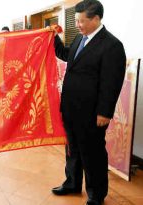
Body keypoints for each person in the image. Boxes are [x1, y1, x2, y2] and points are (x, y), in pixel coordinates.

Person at [50, 1, 126, 205]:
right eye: (76, 20)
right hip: (71, 109)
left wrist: (105, 112)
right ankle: (72, 183)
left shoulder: (112, 45)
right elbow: (68, 56)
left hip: (92, 113)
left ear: (96, 19)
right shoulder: (80, 38)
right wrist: (53, 38)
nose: (78, 25)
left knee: (92, 154)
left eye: (81, 21)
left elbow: (111, 83)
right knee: (72, 150)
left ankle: (96, 194)